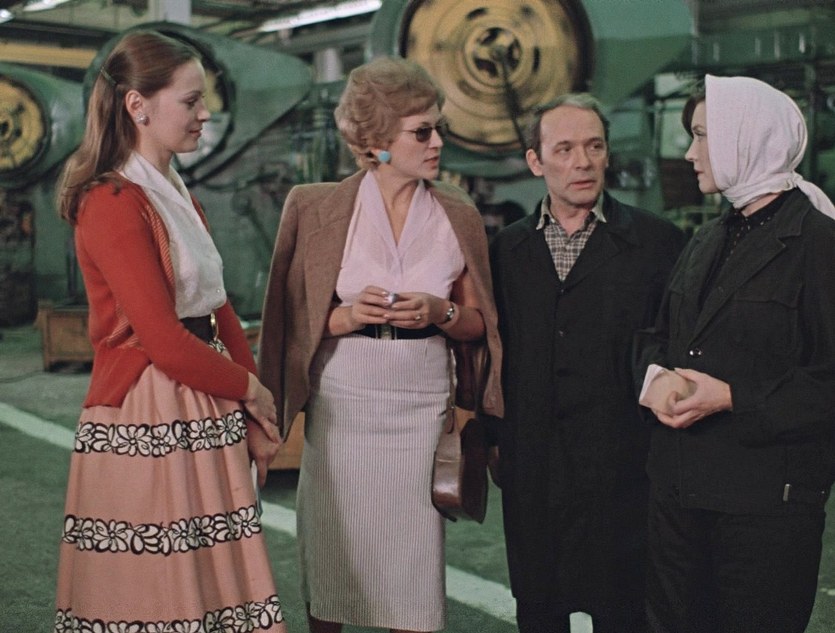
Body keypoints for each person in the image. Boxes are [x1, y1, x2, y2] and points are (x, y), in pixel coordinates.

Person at [257, 56, 503, 633]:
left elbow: (479, 324)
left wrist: (441, 312)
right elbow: (286, 320)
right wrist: (342, 317)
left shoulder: (456, 213)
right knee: (332, 550)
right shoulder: (315, 207)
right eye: (422, 132)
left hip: (421, 405)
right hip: (343, 403)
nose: (437, 142)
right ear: (376, 144)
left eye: (438, 128)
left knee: (413, 570)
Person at [53, 31, 286, 632]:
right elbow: (161, 340)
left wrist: (255, 408)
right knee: (161, 593)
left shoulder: (176, 192)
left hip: (201, 398)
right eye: (191, 100)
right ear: (138, 106)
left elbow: (218, 306)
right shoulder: (111, 200)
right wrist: (250, 390)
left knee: (210, 586)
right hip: (151, 408)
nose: (205, 113)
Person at [635, 75, 835, 633]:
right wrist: (654, 379)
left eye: (701, 135)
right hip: (680, 499)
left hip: (765, 510)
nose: (689, 152)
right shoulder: (706, 239)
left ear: (747, 138)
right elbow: (657, 335)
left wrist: (732, 398)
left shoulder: (819, 244)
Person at [489, 93, 686, 633]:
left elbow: (673, 347)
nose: (583, 162)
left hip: (623, 469)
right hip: (535, 468)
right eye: (565, 149)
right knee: (540, 608)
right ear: (535, 161)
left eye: (594, 146)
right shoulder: (507, 250)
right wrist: (494, 437)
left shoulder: (657, 243)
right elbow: (495, 352)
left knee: (624, 610)